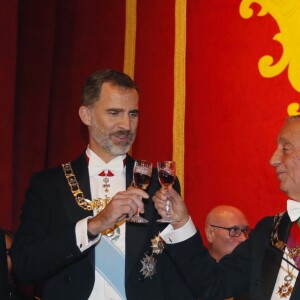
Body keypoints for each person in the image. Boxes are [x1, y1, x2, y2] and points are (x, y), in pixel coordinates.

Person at [10, 69, 195, 300]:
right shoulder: (49, 185)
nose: (127, 125)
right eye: (114, 113)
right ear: (86, 115)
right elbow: (25, 266)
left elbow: (179, 271)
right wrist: (93, 225)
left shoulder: (160, 183)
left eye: (133, 114)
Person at [153, 115, 300, 300]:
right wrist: (181, 223)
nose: (273, 159)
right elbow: (214, 283)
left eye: (285, 149)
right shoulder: (269, 231)